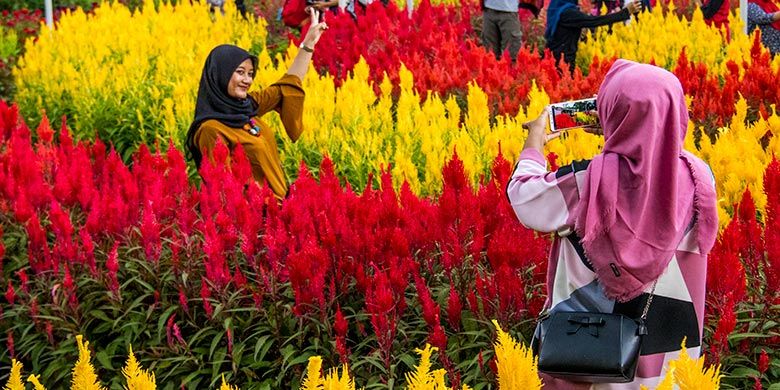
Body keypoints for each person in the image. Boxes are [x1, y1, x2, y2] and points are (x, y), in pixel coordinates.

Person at [506, 59, 718, 388]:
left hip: (594, 355)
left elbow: (524, 197)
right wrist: (631, 129)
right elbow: (657, 151)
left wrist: (534, 141)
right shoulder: (700, 177)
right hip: (672, 361)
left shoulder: (587, 182)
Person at [185, 9, 328, 201]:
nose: (247, 80)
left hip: (280, 211)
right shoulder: (210, 130)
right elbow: (225, 191)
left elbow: (287, 86)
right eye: (240, 72)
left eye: (250, 74)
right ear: (219, 74)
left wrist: (308, 44)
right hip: (259, 220)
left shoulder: (246, 107)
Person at [545, 0, 641, 72]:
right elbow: (594, 21)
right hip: (562, 63)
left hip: (556, 57)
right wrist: (626, 12)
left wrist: (578, 28)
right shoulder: (567, 13)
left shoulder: (557, 9)